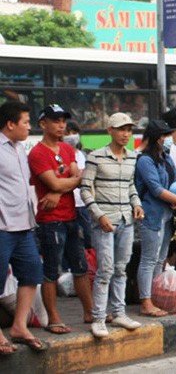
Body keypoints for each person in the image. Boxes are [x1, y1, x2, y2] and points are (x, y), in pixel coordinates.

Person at [28, 104, 92, 335]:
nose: (62, 125)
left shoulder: (66, 148)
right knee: (51, 270)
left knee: (81, 266)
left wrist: (57, 190)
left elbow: (78, 176)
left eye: (63, 120)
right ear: (43, 124)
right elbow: (62, 180)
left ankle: (89, 312)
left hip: (71, 215)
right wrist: (58, 186)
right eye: (56, 121)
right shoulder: (37, 153)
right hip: (49, 220)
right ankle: (54, 317)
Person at [81, 113, 144, 338]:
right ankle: (99, 317)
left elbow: (130, 186)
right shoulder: (96, 157)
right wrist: (99, 216)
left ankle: (118, 312)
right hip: (104, 223)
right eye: (121, 129)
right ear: (110, 130)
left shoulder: (132, 157)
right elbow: (85, 189)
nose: (126, 133)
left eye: (129, 129)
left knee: (120, 269)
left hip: (126, 220)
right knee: (105, 270)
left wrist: (136, 204)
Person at [0, 101, 47, 353]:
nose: (29, 127)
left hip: (24, 225)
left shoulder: (20, 149)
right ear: (11, 124)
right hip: (2, 226)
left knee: (31, 274)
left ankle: (19, 326)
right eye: (26, 122)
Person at [135, 119, 176, 317]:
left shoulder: (165, 157)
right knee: (149, 259)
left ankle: (155, 296)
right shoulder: (144, 160)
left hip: (168, 214)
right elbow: (156, 189)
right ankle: (146, 301)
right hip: (152, 214)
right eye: (165, 135)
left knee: (160, 258)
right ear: (157, 138)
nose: (169, 139)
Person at [64, 120, 91, 249]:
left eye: (74, 133)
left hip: (83, 203)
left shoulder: (84, 155)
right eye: (67, 133)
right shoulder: (61, 156)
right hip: (69, 204)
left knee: (89, 236)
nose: (71, 136)